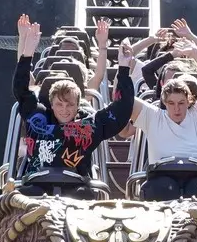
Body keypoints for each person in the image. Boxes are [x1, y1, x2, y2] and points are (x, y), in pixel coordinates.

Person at [12, 14, 133, 196]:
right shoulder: (38, 117)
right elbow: (21, 89)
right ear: (51, 104)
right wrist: (27, 51)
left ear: (78, 105)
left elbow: (121, 110)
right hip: (37, 184)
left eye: (69, 105)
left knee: (84, 197)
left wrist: (123, 69)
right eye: (59, 105)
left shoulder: (89, 125)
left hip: (76, 186)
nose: (64, 110)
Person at [126, 32, 197, 201]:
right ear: (164, 102)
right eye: (171, 103)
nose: (177, 108)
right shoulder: (153, 116)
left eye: (181, 103)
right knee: (163, 191)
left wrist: (195, 52)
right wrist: (123, 65)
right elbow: (124, 98)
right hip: (161, 175)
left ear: (189, 101)